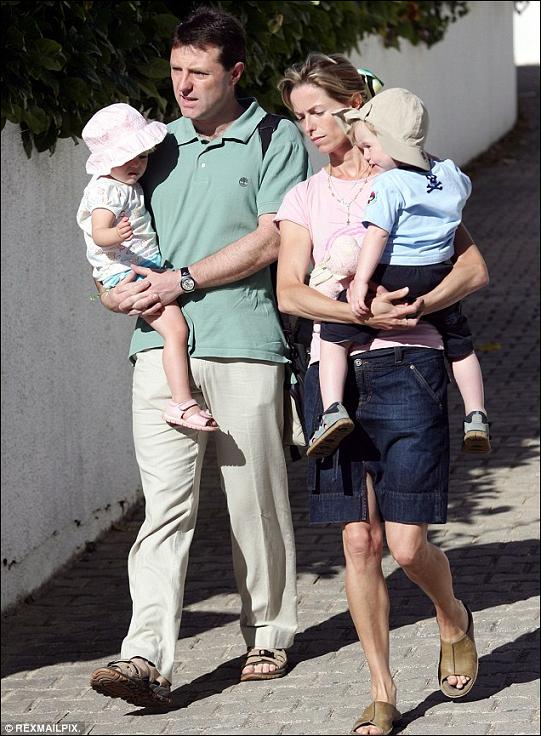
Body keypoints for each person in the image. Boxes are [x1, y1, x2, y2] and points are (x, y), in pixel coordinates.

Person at [88, 7, 310, 708]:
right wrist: (115, 294)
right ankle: (143, 656)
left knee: (255, 506)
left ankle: (268, 631)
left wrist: (183, 279)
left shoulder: (274, 138)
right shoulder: (156, 146)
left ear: (235, 72)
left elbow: (273, 240)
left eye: (199, 73)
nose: (182, 85)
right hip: (159, 346)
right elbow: (119, 246)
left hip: (247, 343)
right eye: (176, 69)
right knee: (164, 510)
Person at [275, 53, 488, 735]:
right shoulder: (304, 198)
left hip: (413, 367)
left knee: (403, 545)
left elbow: (474, 267)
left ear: (353, 103)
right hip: (332, 377)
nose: (309, 126)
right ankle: (381, 688)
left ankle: (450, 614)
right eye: (299, 115)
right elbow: (290, 291)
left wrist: (419, 302)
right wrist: (356, 315)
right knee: (359, 541)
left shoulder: (412, 177)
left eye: (318, 111)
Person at [308, 87, 490, 458]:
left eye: (370, 147)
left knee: (333, 333)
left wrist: (360, 282)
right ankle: (476, 414)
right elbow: (461, 195)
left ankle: (331, 409)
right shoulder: (450, 173)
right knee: (460, 344)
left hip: (395, 274)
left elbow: (377, 234)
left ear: (391, 143)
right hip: (439, 273)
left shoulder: (389, 183)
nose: (366, 156)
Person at [77, 103, 218, 432]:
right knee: (176, 331)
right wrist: (116, 233)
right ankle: (181, 403)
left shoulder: (126, 185)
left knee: (177, 330)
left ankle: (182, 401)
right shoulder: (106, 189)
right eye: (126, 157)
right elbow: (99, 234)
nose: (136, 164)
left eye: (141, 156)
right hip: (127, 273)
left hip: (135, 268)